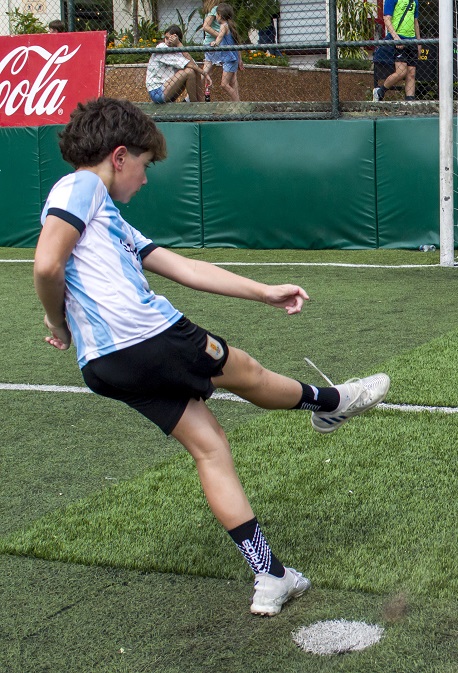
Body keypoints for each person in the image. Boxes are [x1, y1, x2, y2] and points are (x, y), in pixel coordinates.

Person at [33, 97, 391, 616]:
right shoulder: (80, 187)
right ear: (119, 155)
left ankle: (271, 576)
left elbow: (184, 268)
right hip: (148, 336)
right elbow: (47, 266)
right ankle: (331, 402)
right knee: (247, 372)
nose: (145, 179)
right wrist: (55, 320)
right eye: (143, 165)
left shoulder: (111, 222)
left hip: (105, 366)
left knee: (209, 447)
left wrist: (263, 291)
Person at [145, 25, 210, 104]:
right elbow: (189, 65)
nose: (168, 41)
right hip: (157, 92)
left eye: (172, 39)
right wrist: (205, 74)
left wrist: (179, 44)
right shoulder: (161, 47)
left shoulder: (178, 50)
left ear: (177, 39)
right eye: (166, 38)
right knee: (189, 72)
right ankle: (194, 104)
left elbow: (193, 65)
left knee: (194, 71)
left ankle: (200, 103)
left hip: (169, 89)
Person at [373, 0, 421, 102]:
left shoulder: (414, 1)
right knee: (401, 71)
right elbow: (387, 19)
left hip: (411, 39)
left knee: (411, 73)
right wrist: (395, 37)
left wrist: (419, 42)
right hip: (399, 38)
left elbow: (415, 22)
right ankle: (380, 91)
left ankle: (410, 101)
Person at [210, 3, 243, 101]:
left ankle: (238, 102)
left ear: (220, 15)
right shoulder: (230, 25)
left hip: (229, 59)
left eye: (216, 14)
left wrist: (215, 43)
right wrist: (240, 59)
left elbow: (220, 37)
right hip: (232, 58)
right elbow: (236, 44)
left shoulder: (224, 26)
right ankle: (236, 103)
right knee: (232, 81)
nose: (216, 17)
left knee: (224, 84)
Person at [200, 0, 223, 90]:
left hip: (211, 43)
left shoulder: (212, 9)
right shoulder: (215, 9)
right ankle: (194, 90)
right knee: (206, 70)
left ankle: (203, 92)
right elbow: (205, 26)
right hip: (212, 44)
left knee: (208, 72)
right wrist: (220, 36)